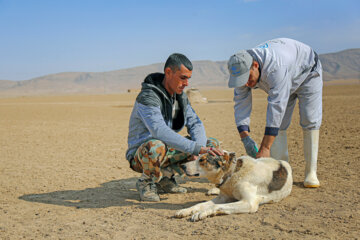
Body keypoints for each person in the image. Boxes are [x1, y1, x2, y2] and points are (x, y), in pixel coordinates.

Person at [126, 53, 222, 202]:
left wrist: (201, 149)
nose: (186, 83)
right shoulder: (148, 97)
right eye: (183, 78)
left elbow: (195, 123)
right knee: (155, 145)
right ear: (168, 73)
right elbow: (159, 131)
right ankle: (146, 182)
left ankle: (167, 178)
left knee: (212, 145)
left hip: (166, 149)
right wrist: (195, 148)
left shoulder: (180, 97)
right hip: (143, 153)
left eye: (188, 78)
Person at [227, 38, 322, 188]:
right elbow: (241, 103)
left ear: (255, 65)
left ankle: (311, 172)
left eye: (247, 78)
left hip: (308, 72)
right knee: (281, 124)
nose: (245, 84)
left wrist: (265, 148)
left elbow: (276, 106)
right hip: (285, 78)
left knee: (310, 119)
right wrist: (245, 138)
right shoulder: (242, 71)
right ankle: (284, 173)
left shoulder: (275, 66)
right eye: (241, 81)